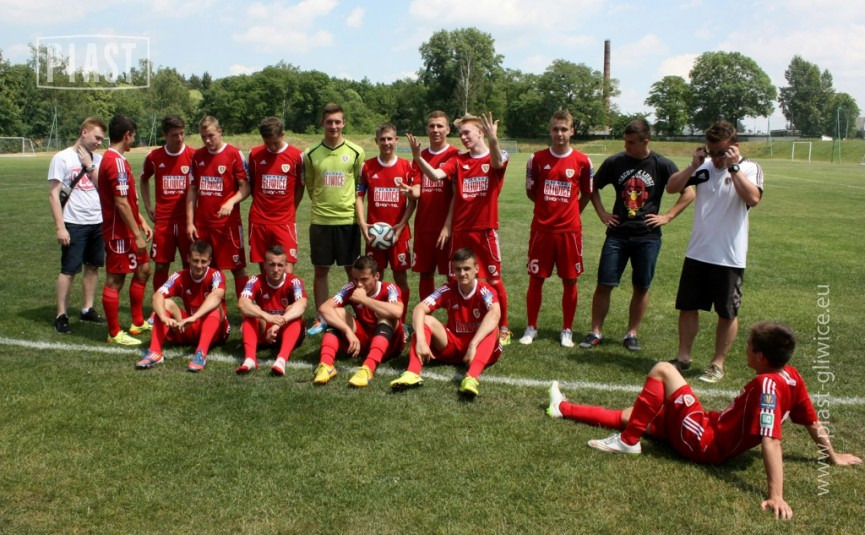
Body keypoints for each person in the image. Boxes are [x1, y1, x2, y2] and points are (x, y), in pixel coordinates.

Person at [546, 321, 862, 520]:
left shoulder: (767, 386)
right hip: (705, 430)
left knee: (663, 370)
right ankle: (563, 408)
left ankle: (628, 443)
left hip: (703, 440)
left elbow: (772, 440)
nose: (745, 350)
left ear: (761, 357)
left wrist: (776, 495)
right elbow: (812, 422)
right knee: (634, 416)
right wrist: (832, 456)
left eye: (749, 346)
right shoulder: (791, 376)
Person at [580, 118, 694, 352]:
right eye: (625, 141)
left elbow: (689, 193)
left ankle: (632, 333)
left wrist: (667, 216)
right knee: (604, 284)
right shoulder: (615, 162)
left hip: (648, 237)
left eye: (631, 142)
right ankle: (595, 331)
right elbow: (592, 186)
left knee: (641, 287)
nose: (627, 146)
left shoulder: (662, 164)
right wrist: (602, 213)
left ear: (645, 141)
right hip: (617, 235)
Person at [666, 120, 763, 383]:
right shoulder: (704, 167)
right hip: (698, 251)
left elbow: (753, 198)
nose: (717, 158)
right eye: (712, 152)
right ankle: (683, 358)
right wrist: (693, 165)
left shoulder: (749, 168)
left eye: (722, 152)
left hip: (729, 255)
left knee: (727, 312)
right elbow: (671, 187)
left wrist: (733, 168)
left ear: (735, 147)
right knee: (688, 307)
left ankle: (717, 364)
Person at [407, 112, 512, 345]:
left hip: (485, 231)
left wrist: (494, 141)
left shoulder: (498, 155)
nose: (463, 137)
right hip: (461, 231)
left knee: (493, 280)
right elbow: (436, 175)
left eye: (467, 133)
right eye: (461, 134)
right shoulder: (458, 160)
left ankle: (504, 327)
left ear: (481, 133)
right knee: (458, 281)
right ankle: (459, 325)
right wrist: (418, 158)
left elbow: (497, 163)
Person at [520, 110, 593, 348]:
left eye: (564, 129)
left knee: (570, 280)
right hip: (542, 230)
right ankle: (531, 327)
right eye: (555, 129)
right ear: (550, 131)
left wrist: (571, 213)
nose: (559, 134)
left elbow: (587, 193)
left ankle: (567, 330)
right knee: (536, 279)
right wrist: (547, 209)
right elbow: (531, 192)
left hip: (569, 232)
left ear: (572, 131)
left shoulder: (583, 161)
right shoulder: (536, 159)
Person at [391, 248, 502, 398]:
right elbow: (419, 309)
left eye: (467, 268)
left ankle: (471, 378)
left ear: (476, 269)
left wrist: (473, 345)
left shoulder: (485, 290)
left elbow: (495, 313)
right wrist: (421, 341)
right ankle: (412, 372)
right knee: (426, 320)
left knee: (492, 328)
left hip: (480, 349)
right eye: (458, 269)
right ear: (453, 270)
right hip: (454, 346)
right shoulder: (448, 289)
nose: (462, 273)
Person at [304, 103, 365, 335]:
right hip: (321, 220)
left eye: (337, 121)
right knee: (321, 271)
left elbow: (359, 186)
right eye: (329, 122)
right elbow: (311, 185)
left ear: (344, 123)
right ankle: (322, 317)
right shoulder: (311, 153)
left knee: (354, 272)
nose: (333, 126)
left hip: (348, 220)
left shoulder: (356, 152)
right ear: (323, 123)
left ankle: (359, 315)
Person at [47, 117, 107, 334]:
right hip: (74, 223)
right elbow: (54, 195)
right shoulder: (62, 158)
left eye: (101, 139)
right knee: (69, 270)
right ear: (84, 132)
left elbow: (105, 188)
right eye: (96, 137)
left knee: (93, 266)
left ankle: (87, 308)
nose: (99, 142)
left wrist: (90, 166)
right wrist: (60, 227)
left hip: (97, 222)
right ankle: (61, 314)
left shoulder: (98, 159)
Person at [98, 114, 153, 346]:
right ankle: (114, 333)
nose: (134, 139)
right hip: (118, 233)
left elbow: (127, 200)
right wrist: (137, 235)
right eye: (133, 135)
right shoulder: (115, 162)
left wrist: (140, 221)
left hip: (129, 229)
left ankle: (137, 322)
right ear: (127, 135)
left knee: (143, 270)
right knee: (115, 280)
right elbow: (120, 203)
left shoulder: (117, 159)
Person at [135, 241, 231, 372]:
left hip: (217, 332)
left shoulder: (216, 275)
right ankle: (155, 352)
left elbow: (217, 296)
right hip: (190, 325)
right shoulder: (179, 276)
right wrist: (163, 317)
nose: (199, 265)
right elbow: (157, 295)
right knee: (165, 303)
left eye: (203, 261)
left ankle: (201, 354)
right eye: (195, 260)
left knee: (215, 306)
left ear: (209, 260)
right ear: (188, 258)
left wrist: (194, 317)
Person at [312, 255, 404, 388]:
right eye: (355, 279)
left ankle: (368, 369)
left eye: (364, 279)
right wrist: (347, 331)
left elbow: (397, 312)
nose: (359, 284)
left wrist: (364, 300)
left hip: (390, 346)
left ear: (377, 276)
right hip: (363, 343)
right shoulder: (351, 287)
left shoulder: (390, 288)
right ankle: (326, 365)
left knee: (386, 316)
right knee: (338, 313)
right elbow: (324, 308)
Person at [356, 123, 415, 322]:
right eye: (382, 139)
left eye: (390, 139)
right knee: (373, 277)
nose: (386, 143)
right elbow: (359, 197)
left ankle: (401, 321)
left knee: (400, 277)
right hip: (374, 235)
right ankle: (373, 319)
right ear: (376, 141)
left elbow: (412, 201)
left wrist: (401, 225)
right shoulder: (367, 167)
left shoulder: (406, 167)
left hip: (399, 234)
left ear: (396, 140)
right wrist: (363, 224)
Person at [186, 115, 249, 297]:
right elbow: (192, 190)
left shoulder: (234, 154)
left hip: (228, 225)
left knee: (237, 267)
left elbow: (245, 187)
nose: (207, 140)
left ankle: (245, 308)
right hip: (204, 224)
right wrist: (190, 223)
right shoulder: (197, 156)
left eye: (211, 135)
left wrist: (231, 201)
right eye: (203, 137)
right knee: (207, 268)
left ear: (220, 132)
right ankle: (216, 309)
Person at [404, 111, 459, 300]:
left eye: (440, 126)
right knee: (425, 274)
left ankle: (455, 315)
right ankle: (425, 315)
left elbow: (456, 195)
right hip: (424, 226)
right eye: (432, 126)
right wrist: (410, 191)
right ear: (427, 129)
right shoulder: (421, 156)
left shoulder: (455, 155)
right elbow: (418, 188)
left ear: (448, 129)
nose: (435, 130)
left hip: (447, 228)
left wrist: (447, 226)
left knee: (453, 275)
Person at [140, 115, 196, 291]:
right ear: (165, 135)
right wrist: (148, 206)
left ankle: (191, 301)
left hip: (187, 220)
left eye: (182, 133)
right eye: (174, 135)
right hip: (164, 221)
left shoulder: (193, 155)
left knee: (190, 263)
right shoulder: (154, 157)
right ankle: (160, 302)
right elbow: (143, 180)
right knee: (161, 265)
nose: (179, 138)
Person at [237, 245, 307, 376]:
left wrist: (279, 323)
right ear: (264, 265)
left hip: (287, 330)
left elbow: (302, 305)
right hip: (265, 330)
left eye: (280, 265)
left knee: (292, 310)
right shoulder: (255, 280)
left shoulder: (294, 281)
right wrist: (266, 316)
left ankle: (281, 360)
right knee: (252, 310)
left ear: (286, 266)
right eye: (272, 264)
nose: (276, 269)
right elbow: (242, 304)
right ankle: (250, 359)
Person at [247, 117, 305, 274]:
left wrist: (291, 208)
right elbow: (253, 185)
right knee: (265, 266)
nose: (271, 147)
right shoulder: (254, 155)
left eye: (275, 142)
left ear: (282, 134)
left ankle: (287, 292)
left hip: (284, 220)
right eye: (267, 143)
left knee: (287, 266)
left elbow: (300, 187)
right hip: (259, 219)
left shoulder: (297, 156)